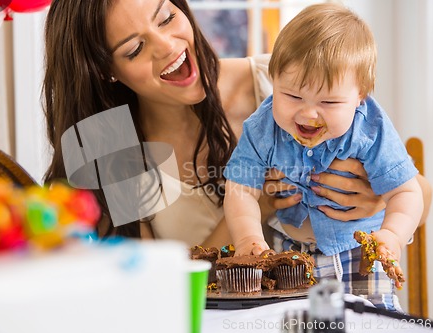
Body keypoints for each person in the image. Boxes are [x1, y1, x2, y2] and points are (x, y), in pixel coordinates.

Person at [41, 0, 431, 252]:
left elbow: (416, 191)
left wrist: (376, 199)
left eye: (167, 17)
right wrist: (255, 211)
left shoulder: (283, 84)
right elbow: (154, 287)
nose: (168, 46)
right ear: (105, 71)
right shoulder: (112, 148)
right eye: (134, 49)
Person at [223, 3, 423, 310]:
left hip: (359, 255)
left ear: (360, 96)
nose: (308, 112)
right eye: (291, 96)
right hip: (289, 256)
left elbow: (407, 191)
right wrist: (249, 238)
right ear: (273, 79)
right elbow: (240, 190)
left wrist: (393, 234)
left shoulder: (370, 128)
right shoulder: (262, 127)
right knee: (288, 322)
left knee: (373, 322)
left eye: (329, 101)